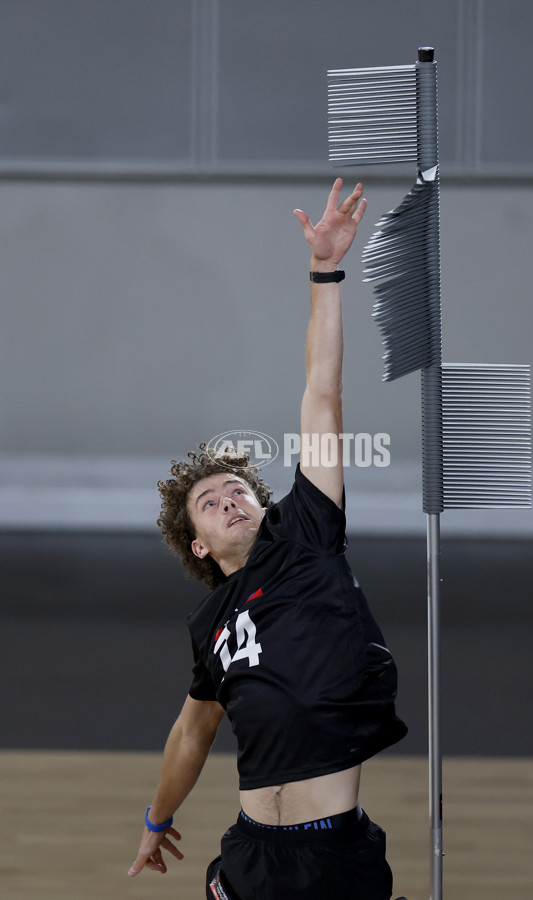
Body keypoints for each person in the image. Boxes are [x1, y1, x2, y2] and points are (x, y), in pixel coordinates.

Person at [127, 179, 408, 900]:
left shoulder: (307, 533)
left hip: (331, 855)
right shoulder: (210, 624)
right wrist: (157, 819)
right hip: (248, 856)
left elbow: (322, 391)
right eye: (210, 504)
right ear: (198, 544)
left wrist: (325, 270)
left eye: (239, 491)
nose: (229, 501)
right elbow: (192, 734)